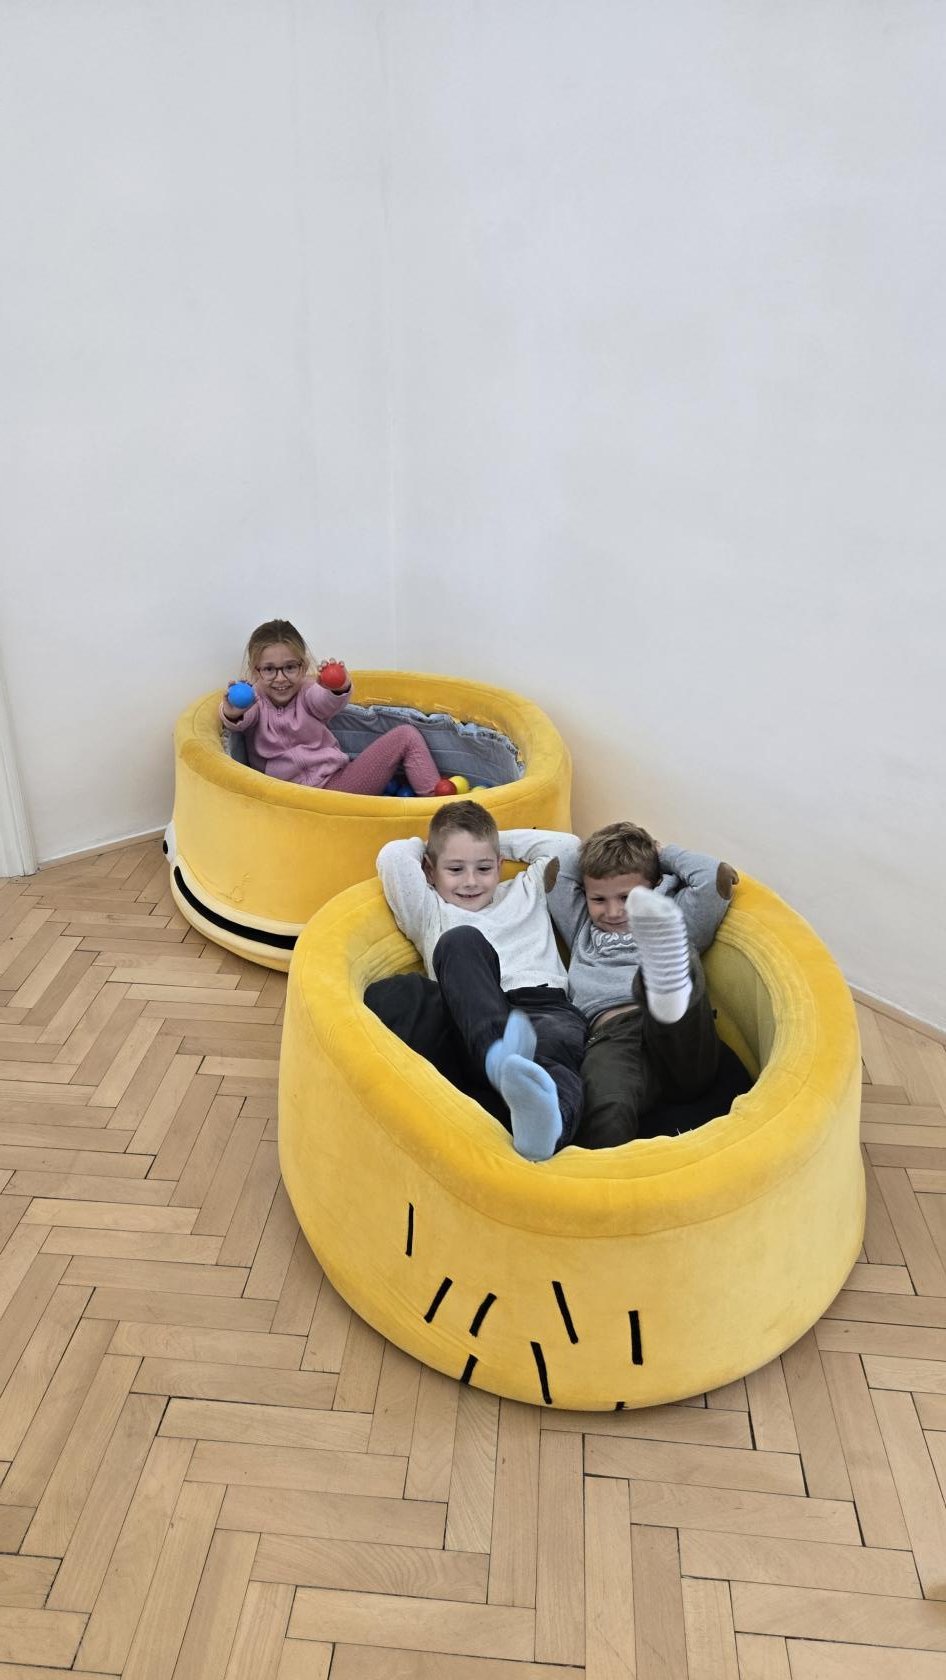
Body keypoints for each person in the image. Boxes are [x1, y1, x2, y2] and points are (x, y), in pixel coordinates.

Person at [368, 800, 587, 1162]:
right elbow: (392, 856)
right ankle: (499, 1062)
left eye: (484, 868)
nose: (471, 881)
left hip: (541, 1007)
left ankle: (544, 1128)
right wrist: (437, 846)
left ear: (499, 865)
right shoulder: (430, 909)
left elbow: (569, 847)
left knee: (551, 1062)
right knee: (454, 946)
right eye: (455, 869)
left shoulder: (527, 886)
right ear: (430, 869)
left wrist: (494, 841)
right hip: (470, 1021)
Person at [501, 823, 738, 1147]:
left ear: (655, 885)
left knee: (680, 963)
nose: (612, 912)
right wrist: (593, 852)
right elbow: (557, 873)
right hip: (613, 1035)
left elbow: (714, 878)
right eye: (599, 899)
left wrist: (660, 853)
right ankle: (605, 1174)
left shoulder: (672, 913)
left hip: (680, 1032)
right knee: (605, 1104)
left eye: (626, 898)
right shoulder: (582, 927)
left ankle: (662, 982)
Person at [220, 618, 442, 794]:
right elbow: (241, 719)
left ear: (303, 666)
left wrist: (336, 687)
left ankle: (439, 811)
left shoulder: (307, 691)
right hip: (288, 800)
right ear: (255, 670)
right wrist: (232, 711)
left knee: (406, 736)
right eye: (269, 669)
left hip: (337, 787)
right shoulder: (254, 699)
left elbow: (323, 701)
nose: (280, 678)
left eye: (289, 667)